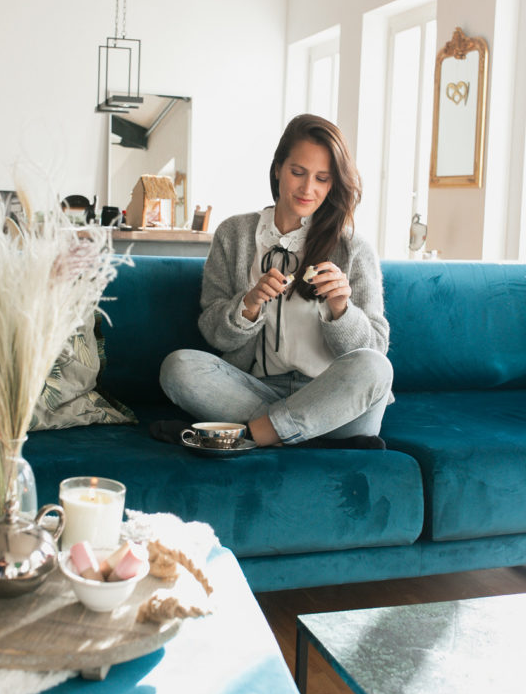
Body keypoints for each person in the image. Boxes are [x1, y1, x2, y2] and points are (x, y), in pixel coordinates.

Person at [155, 114, 393, 449]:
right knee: (177, 366)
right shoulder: (234, 234)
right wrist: (248, 305)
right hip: (258, 389)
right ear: (278, 167)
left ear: (333, 184)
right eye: (297, 172)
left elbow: (375, 349)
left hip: (335, 397)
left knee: (375, 367)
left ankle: (253, 435)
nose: (307, 188)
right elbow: (213, 331)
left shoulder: (353, 248)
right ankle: (303, 434)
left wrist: (341, 309)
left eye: (322, 179)